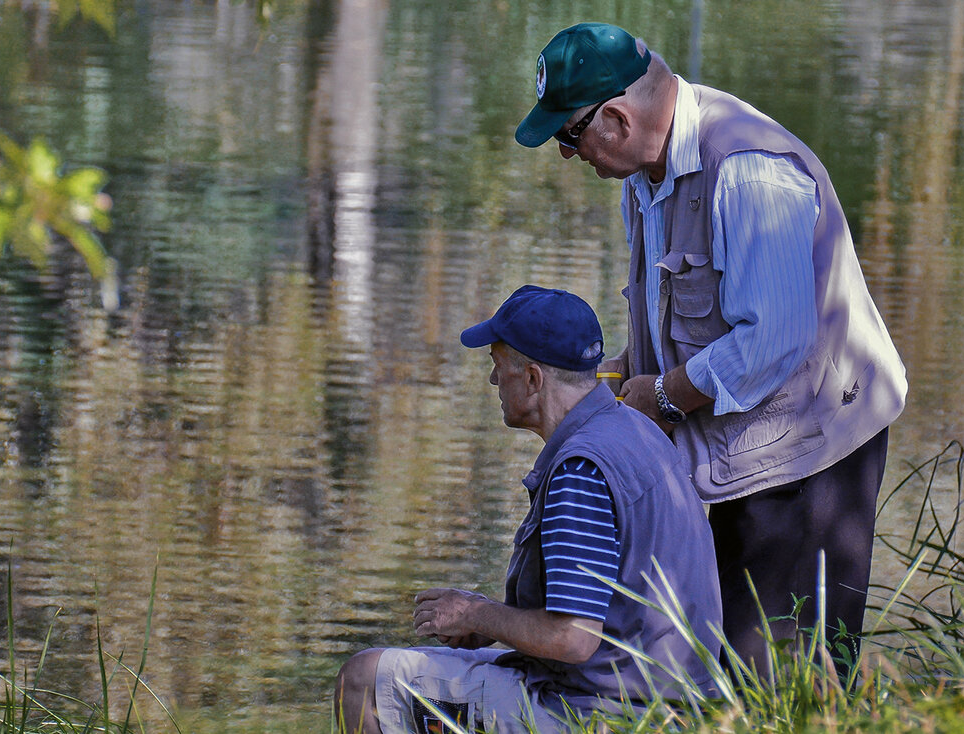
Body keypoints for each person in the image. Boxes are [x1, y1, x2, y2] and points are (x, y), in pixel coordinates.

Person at [513, 23, 907, 670]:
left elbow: (772, 342)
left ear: (614, 118)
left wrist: (664, 395)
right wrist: (617, 379)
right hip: (727, 444)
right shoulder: (644, 178)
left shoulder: (749, 173)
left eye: (567, 135)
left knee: (782, 675)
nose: (565, 153)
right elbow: (681, 322)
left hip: (809, 455)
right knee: (709, 670)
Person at [334, 285, 721, 733]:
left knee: (364, 681)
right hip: (667, 699)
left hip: (615, 714)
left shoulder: (581, 470)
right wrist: (497, 624)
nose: (495, 382)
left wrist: (475, 613)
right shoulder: (631, 428)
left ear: (534, 379)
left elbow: (573, 636)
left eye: (499, 367)